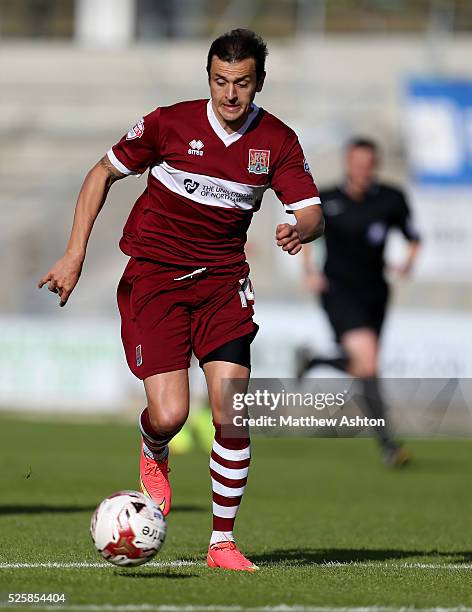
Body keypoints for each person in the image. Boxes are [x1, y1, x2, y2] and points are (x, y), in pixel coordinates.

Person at [38, 29, 324, 571]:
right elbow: (101, 173)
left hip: (222, 285)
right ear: (209, 77)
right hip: (157, 280)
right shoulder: (170, 123)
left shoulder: (278, 142)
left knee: (232, 411)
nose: (230, 94)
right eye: (220, 81)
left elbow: (311, 209)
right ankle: (154, 444)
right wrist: (75, 253)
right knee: (170, 414)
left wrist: (300, 229)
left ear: (260, 81)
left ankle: (221, 543)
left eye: (241, 83)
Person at [297, 138, 420, 466]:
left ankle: (317, 360)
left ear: (375, 165)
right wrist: (309, 271)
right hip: (338, 291)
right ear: (348, 164)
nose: (363, 169)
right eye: (357, 163)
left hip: (375, 293)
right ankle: (389, 444)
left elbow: (413, 238)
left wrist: (407, 263)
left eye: (369, 163)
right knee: (368, 364)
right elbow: (308, 235)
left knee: (363, 366)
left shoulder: (391, 199)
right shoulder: (329, 199)